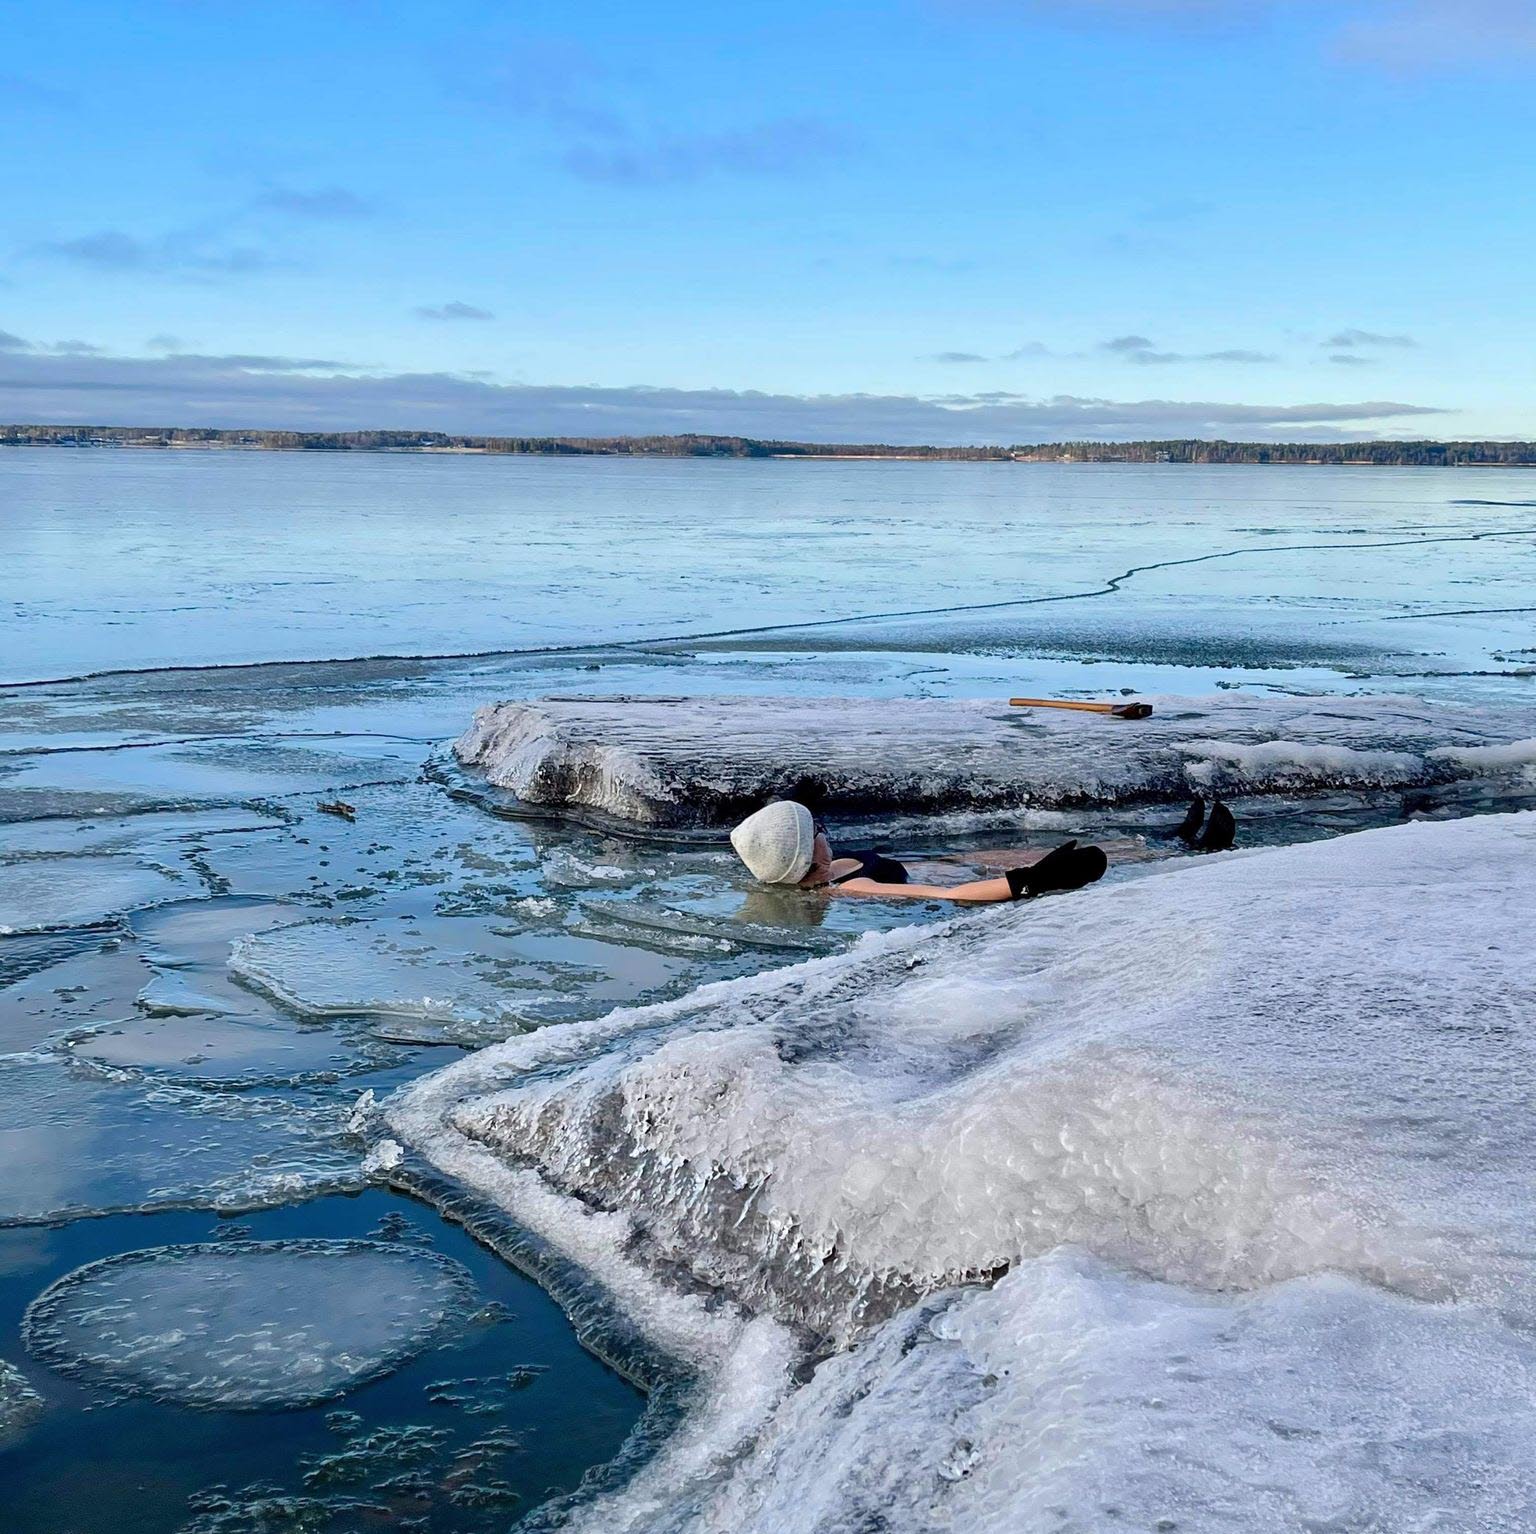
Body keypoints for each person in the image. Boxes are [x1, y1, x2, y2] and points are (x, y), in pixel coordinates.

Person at [728, 800, 1108, 903]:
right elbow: (946, 894)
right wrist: (1032, 880)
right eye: (818, 830)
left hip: (953, 864)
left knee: (1126, 849)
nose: (825, 831)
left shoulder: (830, 864)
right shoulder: (851, 887)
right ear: (807, 856)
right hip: (962, 879)